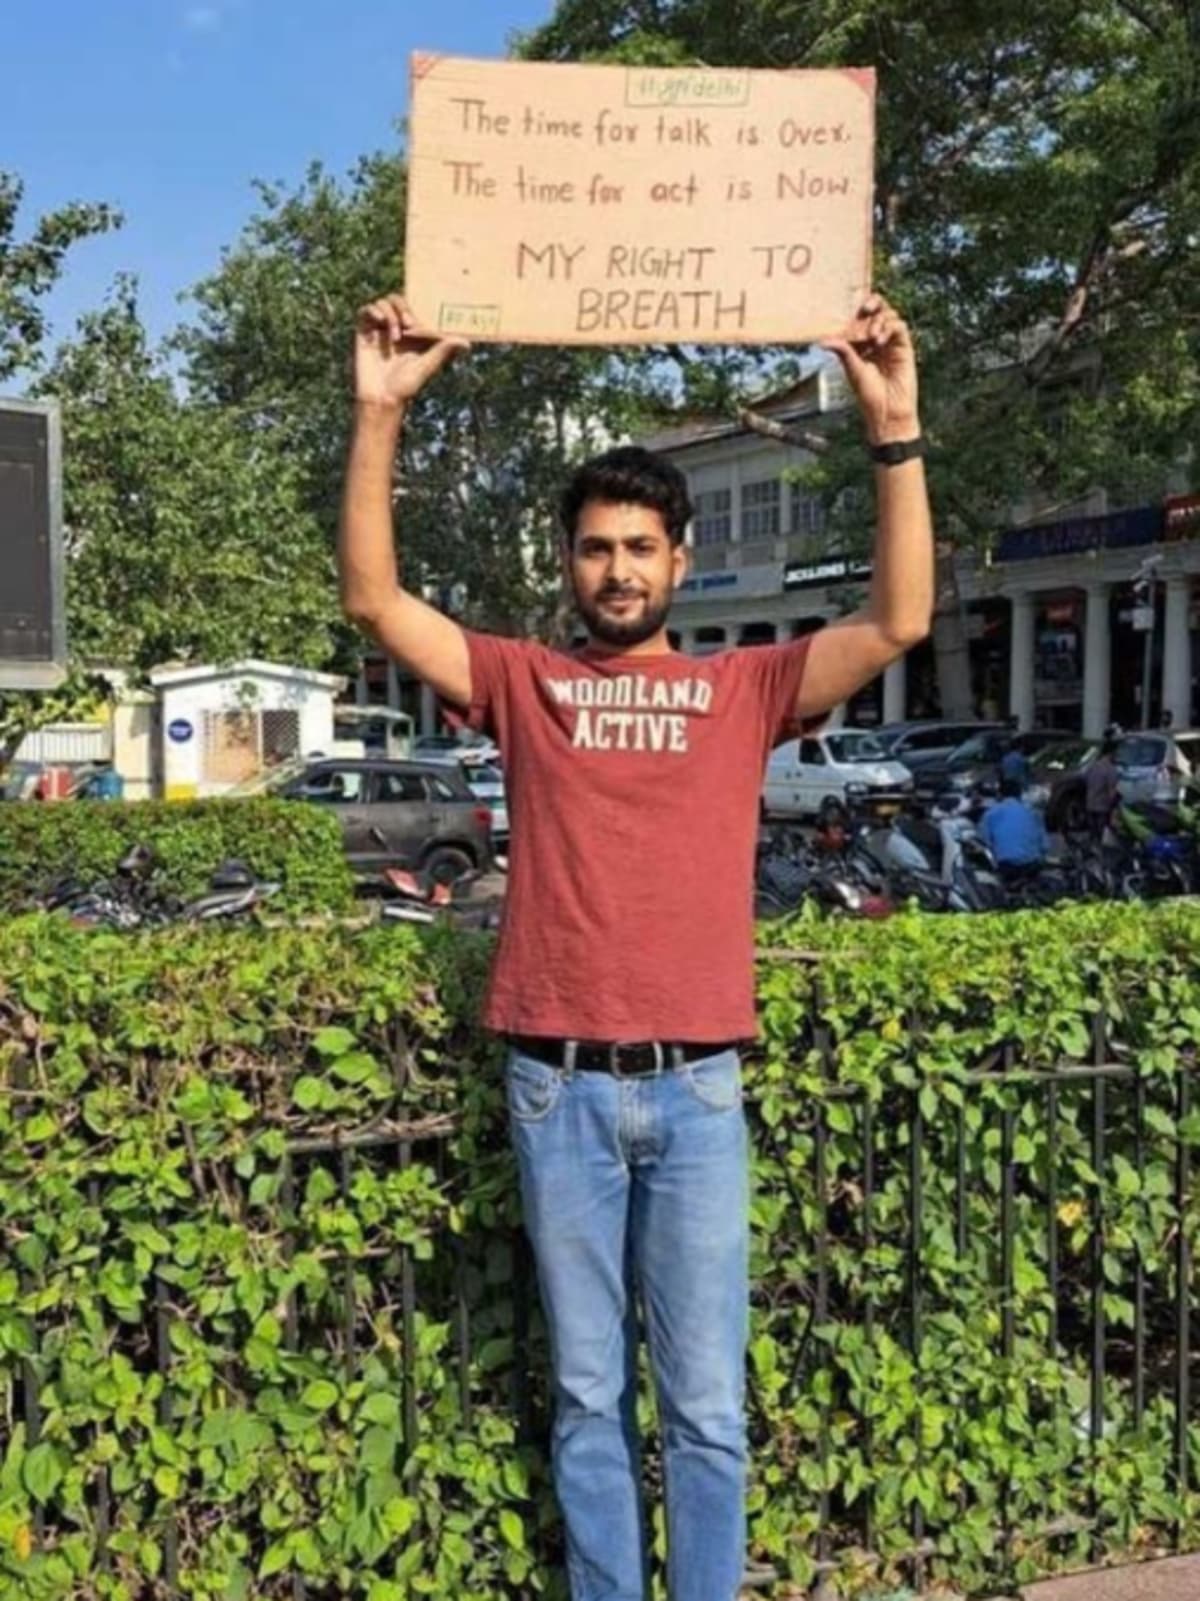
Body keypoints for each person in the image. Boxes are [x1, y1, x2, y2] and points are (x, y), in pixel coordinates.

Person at [338, 289, 934, 1601]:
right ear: (569, 562)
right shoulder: (525, 683)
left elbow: (899, 621)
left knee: (708, 1405)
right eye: (597, 548)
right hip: (556, 1088)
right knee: (589, 1394)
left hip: (698, 1087)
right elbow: (374, 599)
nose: (618, 569)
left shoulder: (742, 689)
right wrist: (379, 412)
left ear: (678, 558)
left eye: (641, 547)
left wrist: (895, 433)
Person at [979, 778, 1049, 881]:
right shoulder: (1032, 812)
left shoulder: (989, 814)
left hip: (1006, 866)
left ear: (999, 795)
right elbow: (1045, 845)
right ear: (1020, 794)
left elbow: (985, 842)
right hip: (1032, 864)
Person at [1085, 735, 1121, 842]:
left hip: (1090, 805)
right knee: (1102, 836)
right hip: (1103, 808)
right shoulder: (1110, 769)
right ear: (1111, 753)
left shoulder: (1093, 766)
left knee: (1092, 833)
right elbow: (1111, 793)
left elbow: (1087, 782)